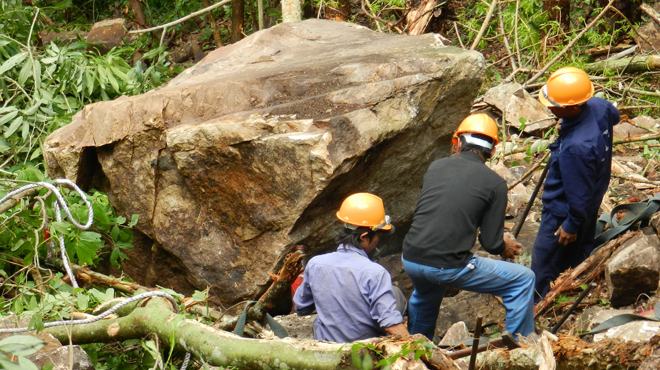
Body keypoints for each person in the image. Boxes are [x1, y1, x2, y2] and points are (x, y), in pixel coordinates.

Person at [402, 113, 536, 340]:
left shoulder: (436, 166)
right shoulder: (495, 183)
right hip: (446, 266)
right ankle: (519, 346)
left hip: (412, 258)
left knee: (427, 293)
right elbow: (491, 243)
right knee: (523, 279)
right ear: (492, 151)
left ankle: (416, 350)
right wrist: (504, 245)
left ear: (457, 142)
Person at [533, 67, 620, 299]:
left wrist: (570, 224)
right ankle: (572, 282)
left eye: (553, 104)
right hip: (593, 197)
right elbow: (616, 115)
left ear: (571, 107)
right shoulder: (599, 106)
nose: (548, 106)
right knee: (579, 248)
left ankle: (537, 302)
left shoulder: (576, 147)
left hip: (563, 210)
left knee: (543, 261)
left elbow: (577, 193)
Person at [293, 192, 410, 343]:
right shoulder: (375, 273)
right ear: (364, 237)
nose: (377, 243)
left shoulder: (316, 263)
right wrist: (417, 350)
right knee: (396, 294)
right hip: (362, 353)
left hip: (327, 347)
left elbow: (301, 307)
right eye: (377, 238)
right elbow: (391, 324)